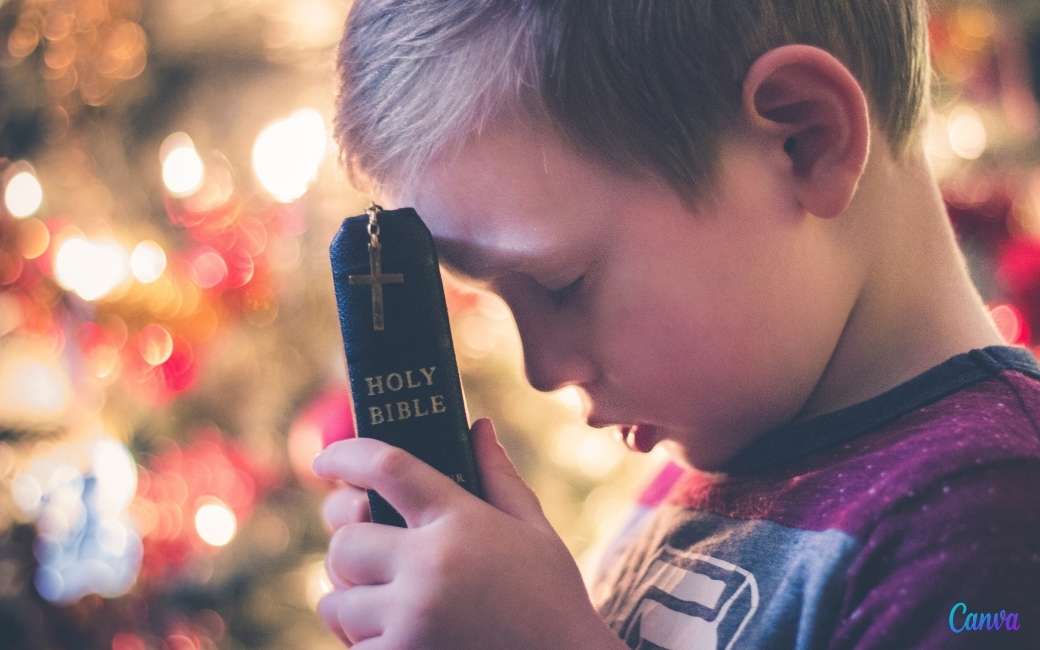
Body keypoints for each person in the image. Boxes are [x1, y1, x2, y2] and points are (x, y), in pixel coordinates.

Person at [313, 1, 1040, 648]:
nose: (542, 370)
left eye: (564, 286)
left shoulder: (990, 525)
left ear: (804, 140)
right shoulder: (703, 472)